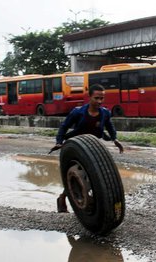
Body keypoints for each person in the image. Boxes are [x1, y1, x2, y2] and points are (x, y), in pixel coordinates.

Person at [51, 84, 123, 212]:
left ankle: (94, 202)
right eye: (96, 98)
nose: (99, 101)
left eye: (102, 98)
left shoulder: (105, 113)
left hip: (92, 148)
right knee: (78, 175)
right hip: (76, 148)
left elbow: (110, 127)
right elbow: (64, 126)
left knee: (95, 175)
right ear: (89, 97)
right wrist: (59, 141)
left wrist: (115, 139)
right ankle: (63, 198)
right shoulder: (77, 112)